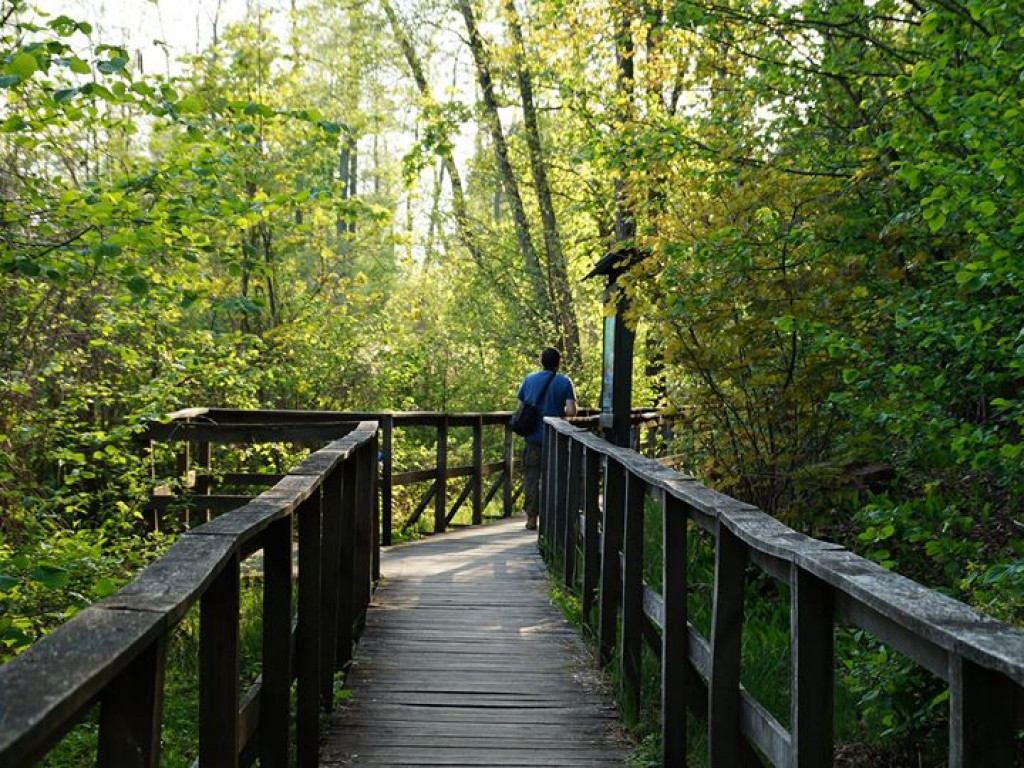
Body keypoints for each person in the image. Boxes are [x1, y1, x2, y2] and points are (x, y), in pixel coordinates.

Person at [516, 347, 577, 530]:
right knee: (555, 478)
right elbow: (571, 411)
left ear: (541, 361)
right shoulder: (564, 382)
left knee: (532, 478)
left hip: (533, 437)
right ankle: (552, 518)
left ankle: (532, 517)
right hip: (556, 439)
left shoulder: (529, 380)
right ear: (558, 362)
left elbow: (520, 408)